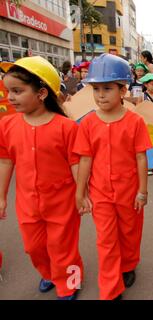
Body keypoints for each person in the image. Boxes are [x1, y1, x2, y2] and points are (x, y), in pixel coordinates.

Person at [0, 56, 84, 300]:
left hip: (63, 202)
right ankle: (49, 273)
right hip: (27, 203)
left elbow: (76, 164)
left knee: (64, 248)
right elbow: (6, 161)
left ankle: (70, 282)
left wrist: (82, 195)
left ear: (42, 93)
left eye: (17, 91)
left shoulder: (67, 128)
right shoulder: (7, 126)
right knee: (33, 247)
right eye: (8, 91)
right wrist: (2, 197)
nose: (11, 97)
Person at [74, 53, 151, 300]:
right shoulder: (87, 124)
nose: (100, 95)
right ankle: (110, 288)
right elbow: (85, 159)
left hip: (129, 191)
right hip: (101, 193)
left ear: (122, 89)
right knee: (105, 240)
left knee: (129, 231)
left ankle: (128, 264)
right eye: (96, 89)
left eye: (107, 88)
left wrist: (143, 191)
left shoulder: (135, 121)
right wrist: (80, 192)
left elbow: (141, 157)